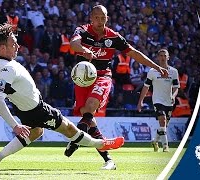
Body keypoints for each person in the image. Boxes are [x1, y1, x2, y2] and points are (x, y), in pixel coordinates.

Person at [0, 23, 124, 173]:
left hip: (23, 110)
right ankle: (102, 143)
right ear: (3, 48)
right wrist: (15, 126)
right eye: (14, 44)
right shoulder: (9, 69)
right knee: (69, 129)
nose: (18, 46)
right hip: (38, 110)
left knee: (36, 132)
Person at [66, 5, 169, 170]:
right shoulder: (83, 30)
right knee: (88, 118)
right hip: (82, 79)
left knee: (91, 107)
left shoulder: (113, 37)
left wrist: (157, 67)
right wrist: (84, 50)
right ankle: (108, 160)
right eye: (97, 18)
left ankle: (75, 140)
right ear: (91, 18)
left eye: (103, 18)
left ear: (107, 18)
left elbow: (134, 53)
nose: (100, 21)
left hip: (102, 77)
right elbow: (73, 43)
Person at [137, 49, 179, 152]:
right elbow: (146, 87)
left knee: (163, 125)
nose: (162, 57)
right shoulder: (152, 71)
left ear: (168, 57)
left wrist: (173, 96)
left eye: (164, 55)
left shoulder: (173, 71)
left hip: (169, 101)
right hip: (157, 100)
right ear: (157, 57)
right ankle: (165, 146)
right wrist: (140, 101)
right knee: (163, 120)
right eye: (160, 55)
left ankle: (155, 141)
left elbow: (176, 87)